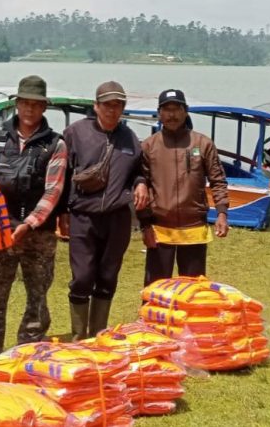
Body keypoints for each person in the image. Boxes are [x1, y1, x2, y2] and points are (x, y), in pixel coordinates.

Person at [0, 75, 68, 371]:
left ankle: (29, 352)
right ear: (17, 104)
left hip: (39, 232)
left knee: (37, 294)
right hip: (1, 230)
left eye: (36, 104)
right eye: (25, 103)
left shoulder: (56, 144)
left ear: (44, 107)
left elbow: (53, 190)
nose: (29, 109)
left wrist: (31, 223)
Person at [63, 81, 147, 341]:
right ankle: (79, 336)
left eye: (118, 105)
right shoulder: (75, 133)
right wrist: (62, 212)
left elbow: (138, 170)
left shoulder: (130, 138)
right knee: (82, 276)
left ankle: (98, 334)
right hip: (82, 216)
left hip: (117, 217)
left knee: (108, 275)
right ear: (96, 106)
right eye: (108, 104)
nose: (113, 110)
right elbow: (61, 175)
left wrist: (141, 183)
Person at [138, 89, 229, 287]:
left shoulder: (202, 143)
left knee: (193, 291)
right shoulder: (148, 146)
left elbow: (218, 180)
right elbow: (140, 185)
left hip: (194, 228)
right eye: (167, 109)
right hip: (160, 229)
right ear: (159, 113)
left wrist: (222, 213)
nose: (172, 114)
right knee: (156, 291)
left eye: (177, 109)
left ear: (185, 111)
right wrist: (145, 225)